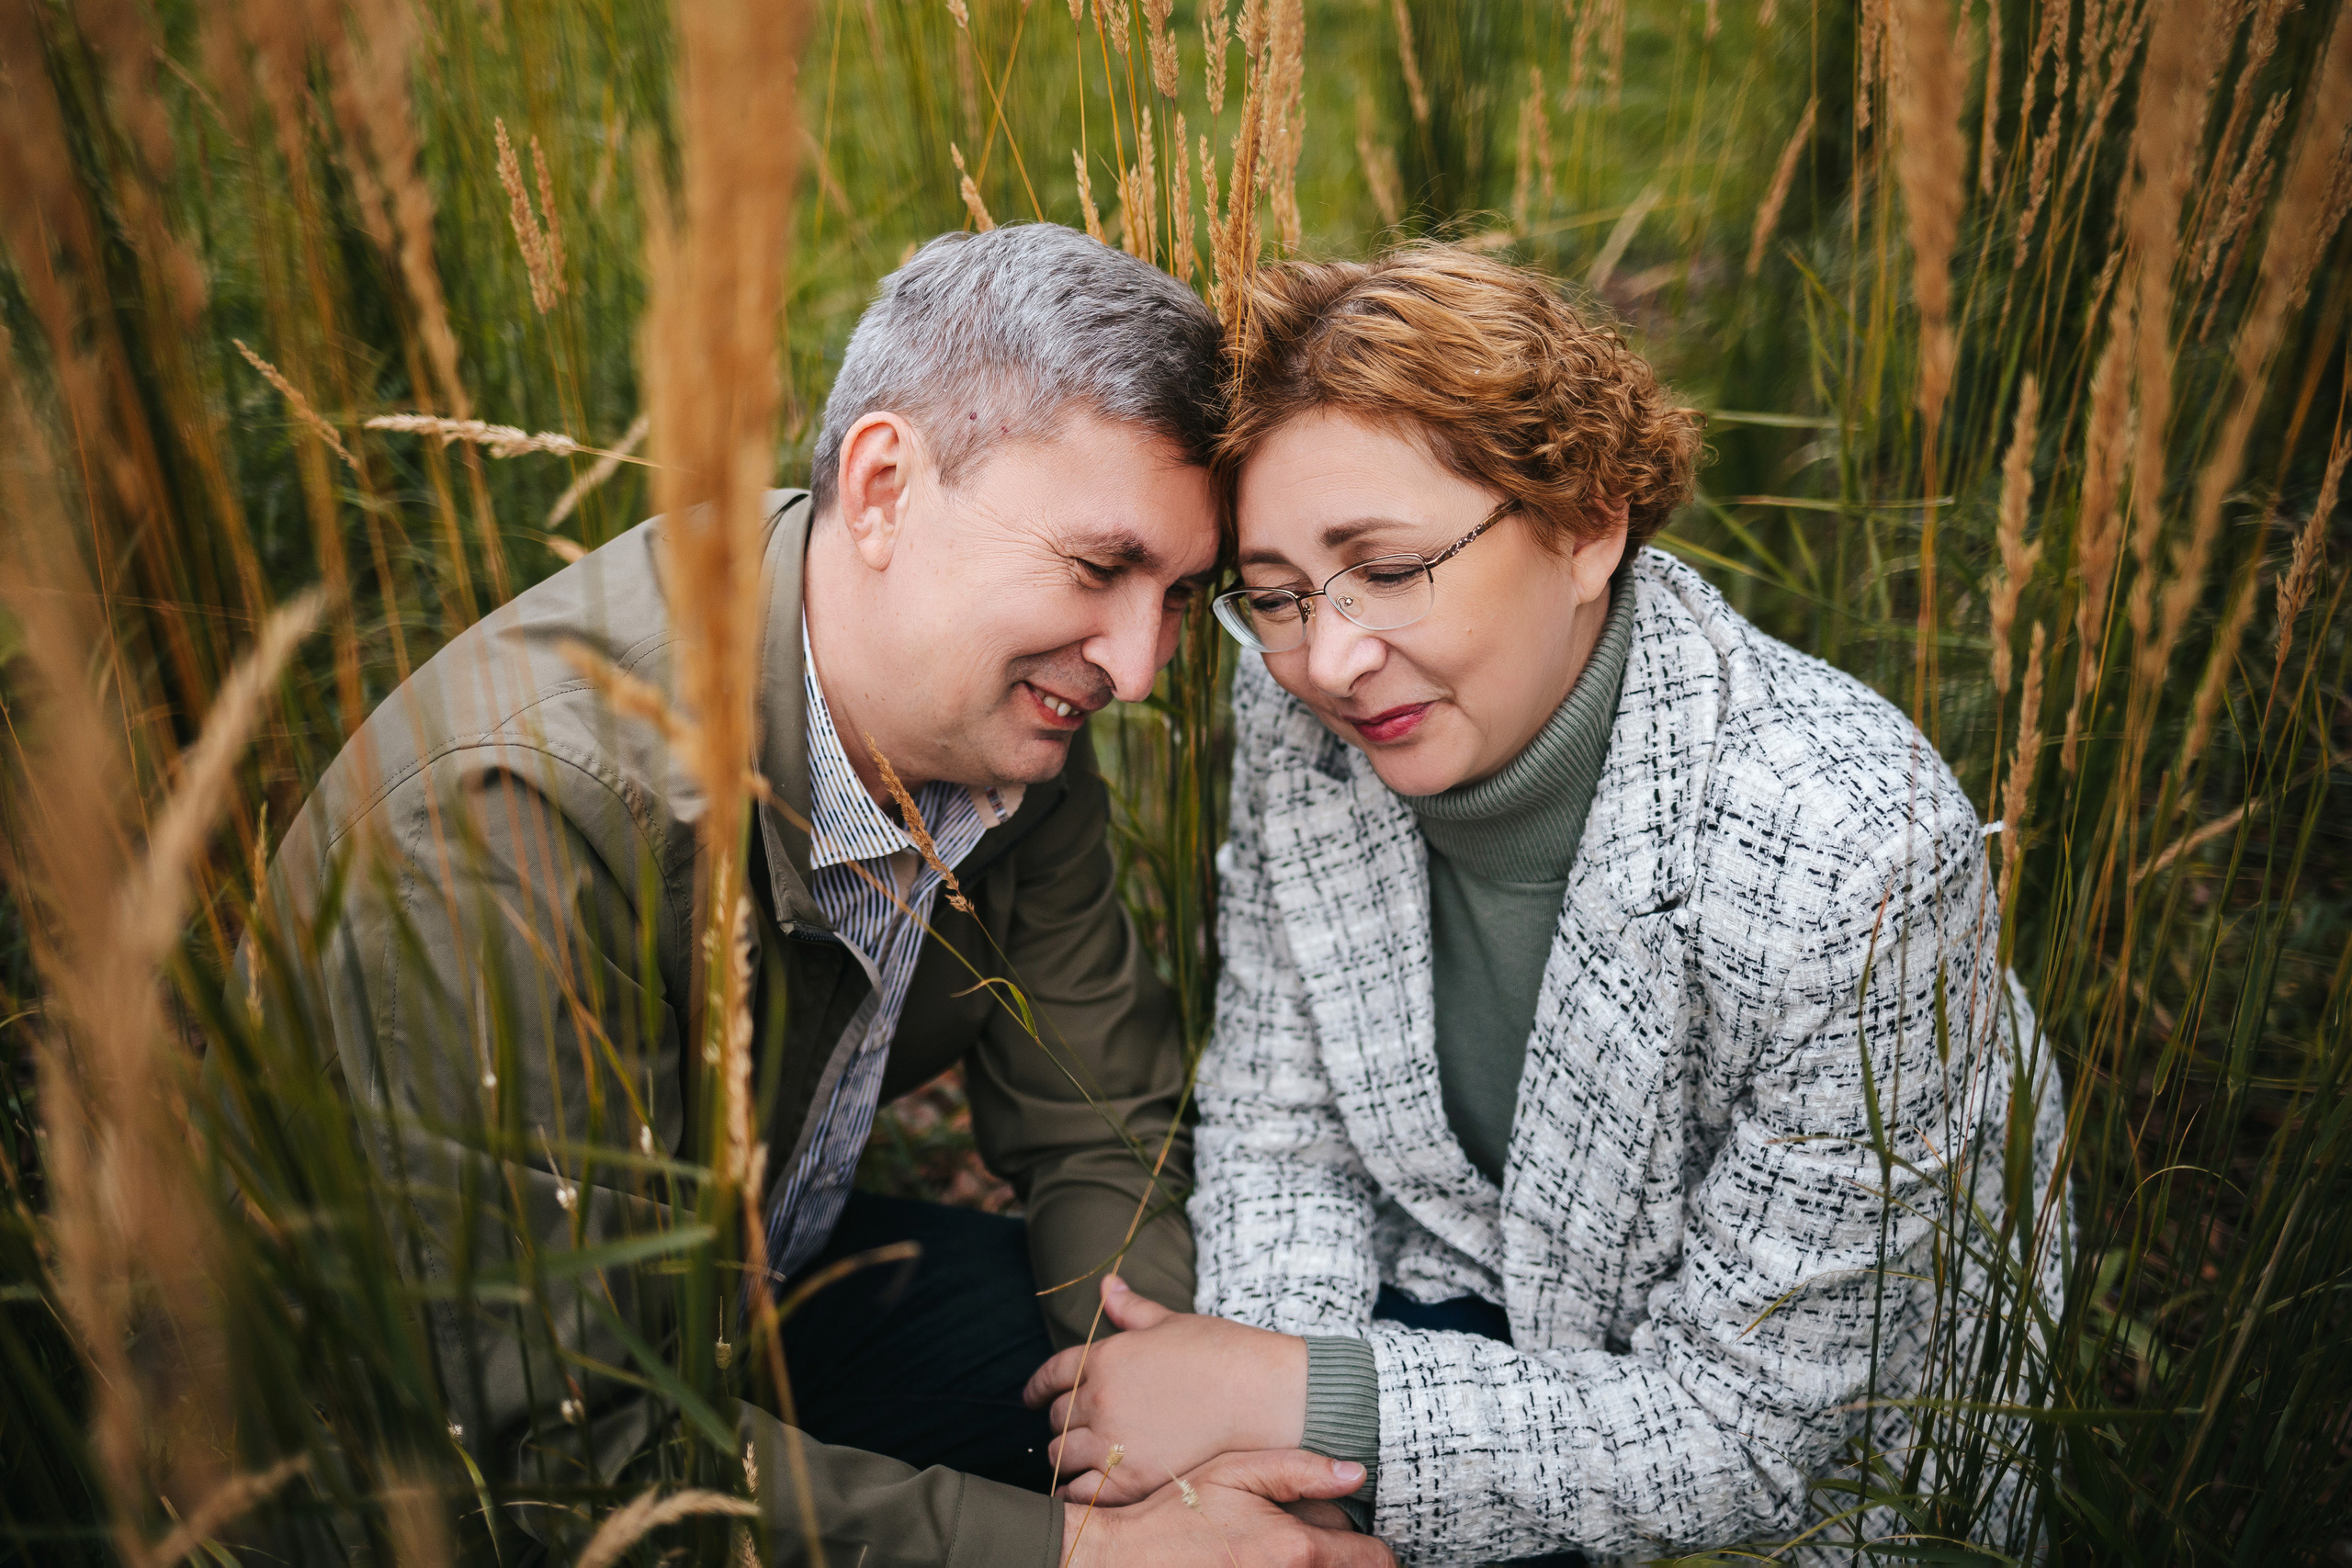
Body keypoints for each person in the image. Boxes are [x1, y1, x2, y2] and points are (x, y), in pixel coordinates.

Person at [254, 224, 1385, 1566]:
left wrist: (1164, 1435)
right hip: (393, 1478)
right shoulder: (512, 826)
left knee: (1329, 1464)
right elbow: (560, 1453)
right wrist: (1089, 1556)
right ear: (887, 485)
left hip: (754, 1311)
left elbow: (1102, 1131)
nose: (1136, 668)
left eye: (1180, 596)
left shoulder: (1005, 721)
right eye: (1098, 569)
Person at [1025, 244, 2065, 1562]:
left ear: (1586, 525)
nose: (1331, 660)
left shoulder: (1849, 859)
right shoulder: (1294, 709)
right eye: (1276, 597)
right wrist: (1270, 1475)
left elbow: (1753, 1439)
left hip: (1775, 1491)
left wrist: (1299, 1393)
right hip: (1454, 1316)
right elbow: (1285, 1132)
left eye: (1390, 568)